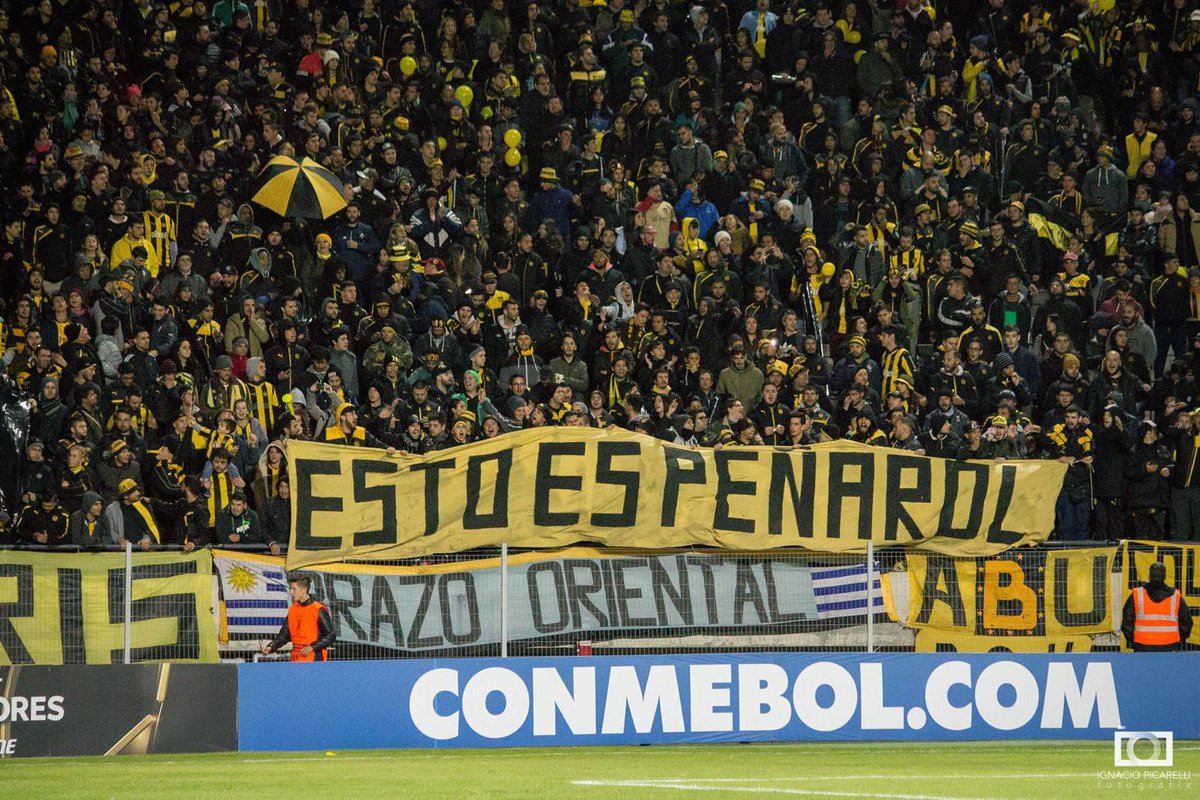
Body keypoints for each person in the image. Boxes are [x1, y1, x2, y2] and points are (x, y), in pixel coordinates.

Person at [1121, 562, 1193, 652]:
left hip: (1142, 646)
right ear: (1164, 576)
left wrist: (1135, 640)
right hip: (1170, 645)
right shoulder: (1176, 596)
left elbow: (1127, 622)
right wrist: (1177, 639)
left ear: (1149, 575)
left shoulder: (1137, 594)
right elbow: (1187, 623)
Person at [262, 576, 336, 662]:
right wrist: (271, 646)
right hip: (295, 655)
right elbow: (284, 635)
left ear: (304, 590)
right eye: (290, 589)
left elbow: (331, 635)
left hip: (313, 656)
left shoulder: (318, 609)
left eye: (294, 589)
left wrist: (312, 647)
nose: (291, 592)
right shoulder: (293, 609)